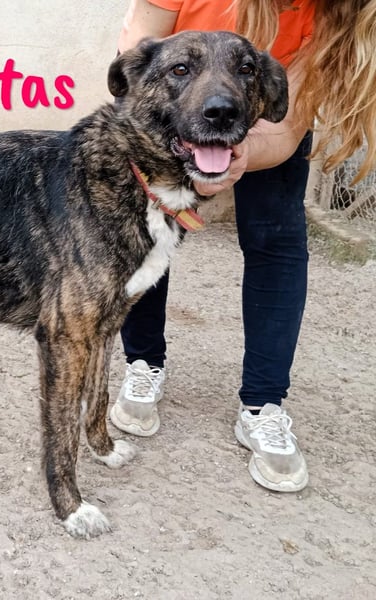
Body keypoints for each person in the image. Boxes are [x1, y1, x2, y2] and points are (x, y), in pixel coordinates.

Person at [110, 0, 376, 492]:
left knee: (277, 240)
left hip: (260, 119)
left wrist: (242, 152)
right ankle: (143, 362)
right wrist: (153, 137)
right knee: (144, 234)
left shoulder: (341, 13)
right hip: (166, 109)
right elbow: (133, 63)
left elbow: (286, 124)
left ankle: (263, 403)